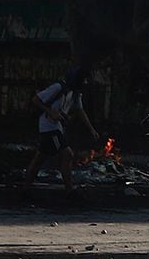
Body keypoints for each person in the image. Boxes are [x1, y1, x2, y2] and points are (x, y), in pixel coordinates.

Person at [22, 67, 100, 195]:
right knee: (67, 154)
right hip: (48, 127)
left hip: (56, 127)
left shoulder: (75, 93)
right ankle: (69, 190)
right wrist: (50, 112)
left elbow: (80, 111)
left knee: (39, 158)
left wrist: (91, 129)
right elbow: (36, 100)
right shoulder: (58, 88)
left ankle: (26, 189)